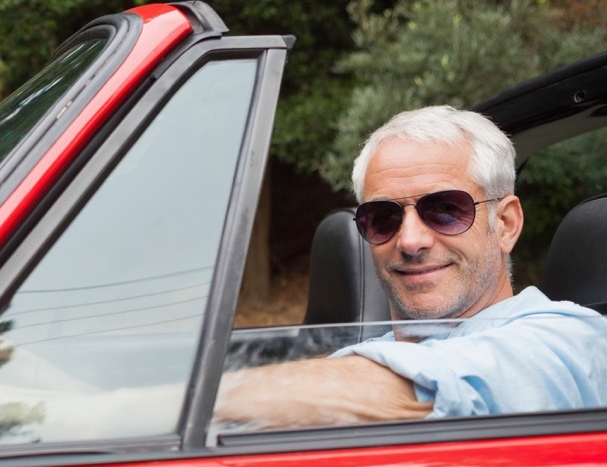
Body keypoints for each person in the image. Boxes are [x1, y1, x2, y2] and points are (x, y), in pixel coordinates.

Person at [213, 105, 607, 427]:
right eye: (383, 217)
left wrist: (172, 406)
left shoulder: (566, 338)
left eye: (445, 211)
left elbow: (412, 390)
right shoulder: (359, 361)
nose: (410, 240)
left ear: (504, 225)